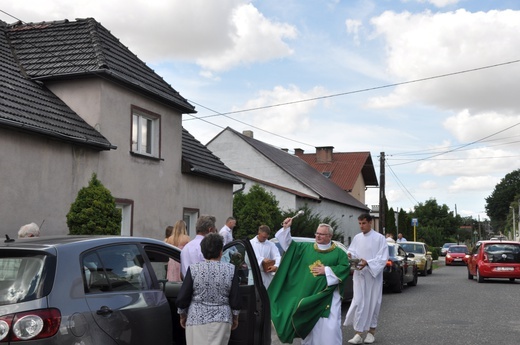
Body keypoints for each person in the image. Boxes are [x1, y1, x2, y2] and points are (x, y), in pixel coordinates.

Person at [268, 218, 350, 344]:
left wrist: (327, 270)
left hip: (327, 298)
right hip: (308, 296)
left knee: (330, 329)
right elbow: (289, 245)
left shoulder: (339, 253)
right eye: (317, 233)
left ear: (330, 236)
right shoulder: (304, 248)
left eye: (321, 234)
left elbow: (345, 268)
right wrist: (286, 228)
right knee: (310, 329)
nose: (318, 236)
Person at [176, 233, 241, 345]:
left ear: (202, 251)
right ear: (221, 251)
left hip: (196, 318)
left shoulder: (194, 269)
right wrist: (235, 317)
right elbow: (235, 299)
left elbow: (183, 297)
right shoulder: (231, 269)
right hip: (222, 319)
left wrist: (182, 315)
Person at [343, 213, 388, 344]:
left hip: (373, 277)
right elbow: (352, 251)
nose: (361, 226)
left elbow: (383, 258)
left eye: (364, 223)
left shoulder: (379, 238)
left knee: (373, 302)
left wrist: (367, 262)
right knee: (359, 303)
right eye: (359, 223)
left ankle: (371, 332)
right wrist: (350, 255)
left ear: (370, 223)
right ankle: (358, 333)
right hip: (359, 276)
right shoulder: (357, 238)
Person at [180, 215, 216, 279]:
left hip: (187, 285)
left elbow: (182, 273)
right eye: (214, 231)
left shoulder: (186, 248)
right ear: (210, 230)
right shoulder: (208, 247)